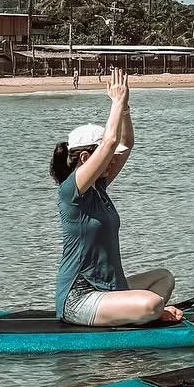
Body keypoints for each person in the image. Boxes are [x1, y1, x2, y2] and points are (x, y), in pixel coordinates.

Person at [48, 67, 180, 325]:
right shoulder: (71, 190)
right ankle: (149, 313)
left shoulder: (99, 186)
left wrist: (126, 107)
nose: (112, 161)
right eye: (106, 158)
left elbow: (125, 144)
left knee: (164, 278)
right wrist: (116, 103)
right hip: (79, 298)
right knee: (152, 302)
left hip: (110, 288)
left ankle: (141, 314)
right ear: (86, 158)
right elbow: (109, 142)